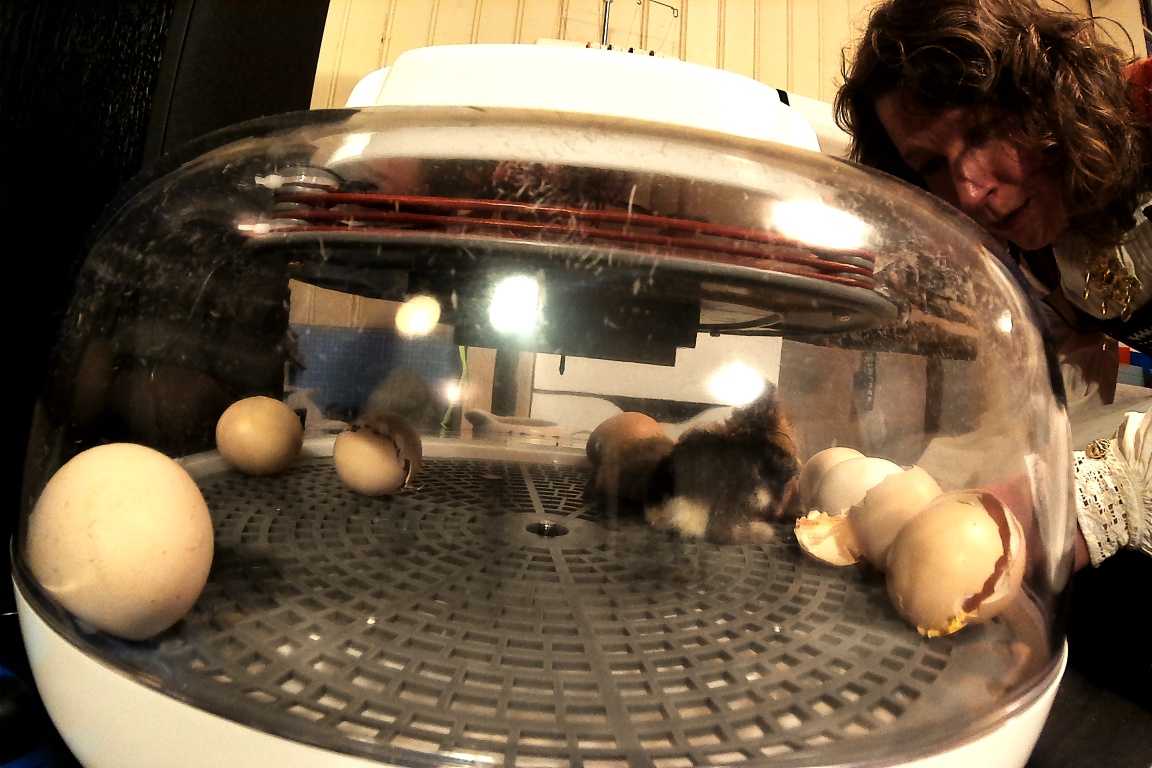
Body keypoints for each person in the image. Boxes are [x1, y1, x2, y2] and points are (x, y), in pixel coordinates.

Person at [834, 0, 1152, 574]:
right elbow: (1059, 374)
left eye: (983, 130)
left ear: (1046, 99)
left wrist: (1104, 491)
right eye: (932, 165)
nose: (968, 190)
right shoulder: (1028, 249)